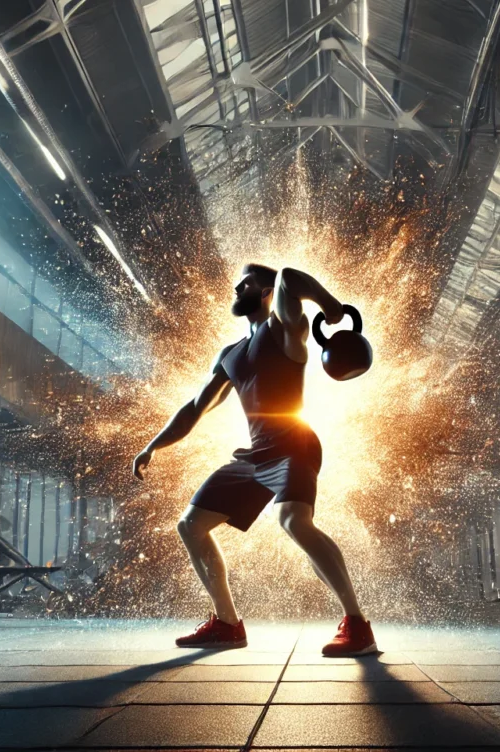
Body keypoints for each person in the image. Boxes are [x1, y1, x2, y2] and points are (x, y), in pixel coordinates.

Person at [132, 264, 376, 656]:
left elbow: (290, 278)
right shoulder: (229, 355)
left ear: (265, 293)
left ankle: (357, 624)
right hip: (253, 455)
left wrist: (331, 309)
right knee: (191, 525)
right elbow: (195, 408)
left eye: (245, 283)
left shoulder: (284, 328)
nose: (236, 287)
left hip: (294, 443)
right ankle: (227, 624)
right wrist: (154, 445)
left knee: (294, 521)